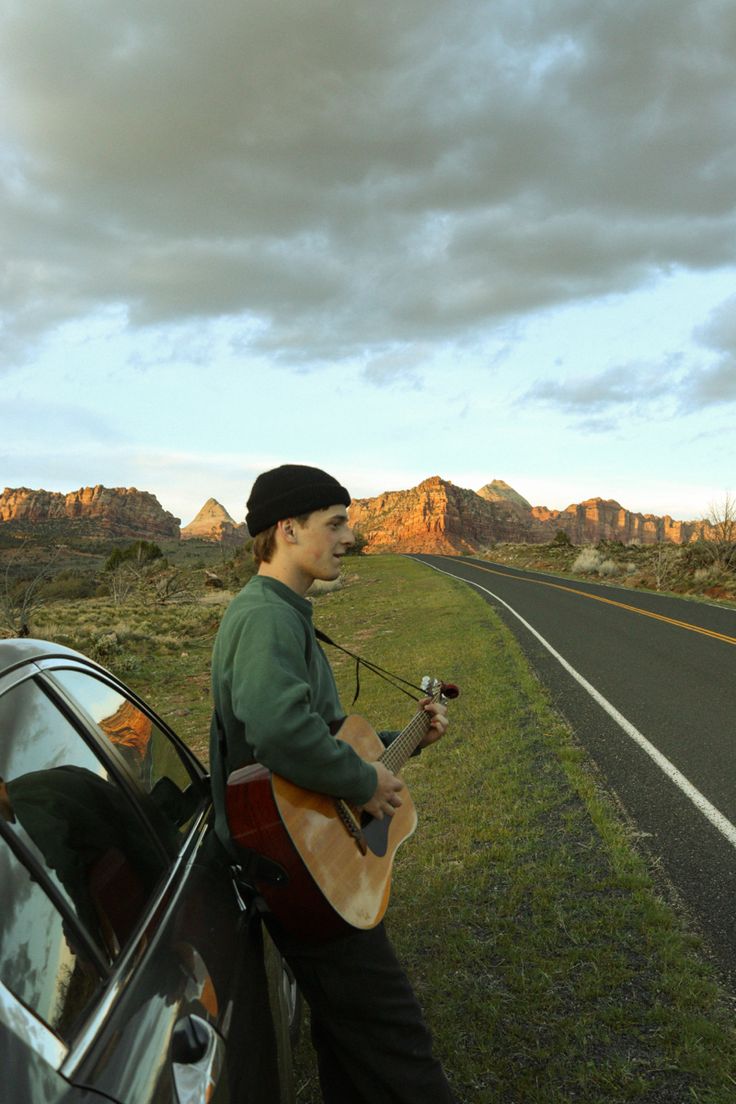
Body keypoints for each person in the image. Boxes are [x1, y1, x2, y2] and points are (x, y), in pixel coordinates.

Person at [209, 463, 457, 1104]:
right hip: (303, 869)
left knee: (350, 1041)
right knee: (399, 1047)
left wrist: (401, 751)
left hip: (313, 858)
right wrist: (359, 779)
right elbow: (280, 731)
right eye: (336, 523)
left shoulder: (282, 611)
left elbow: (316, 748)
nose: (350, 535)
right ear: (288, 529)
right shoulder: (266, 616)